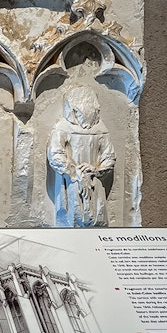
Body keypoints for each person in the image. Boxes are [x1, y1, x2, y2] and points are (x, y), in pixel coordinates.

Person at [47, 86, 115, 227]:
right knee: (71, 217)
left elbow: (109, 157)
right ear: (73, 110)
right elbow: (55, 154)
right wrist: (74, 172)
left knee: (97, 218)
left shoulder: (100, 129)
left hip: (94, 181)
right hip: (70, 181)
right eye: (79, 113)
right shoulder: (63, 127)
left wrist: (95, 170)